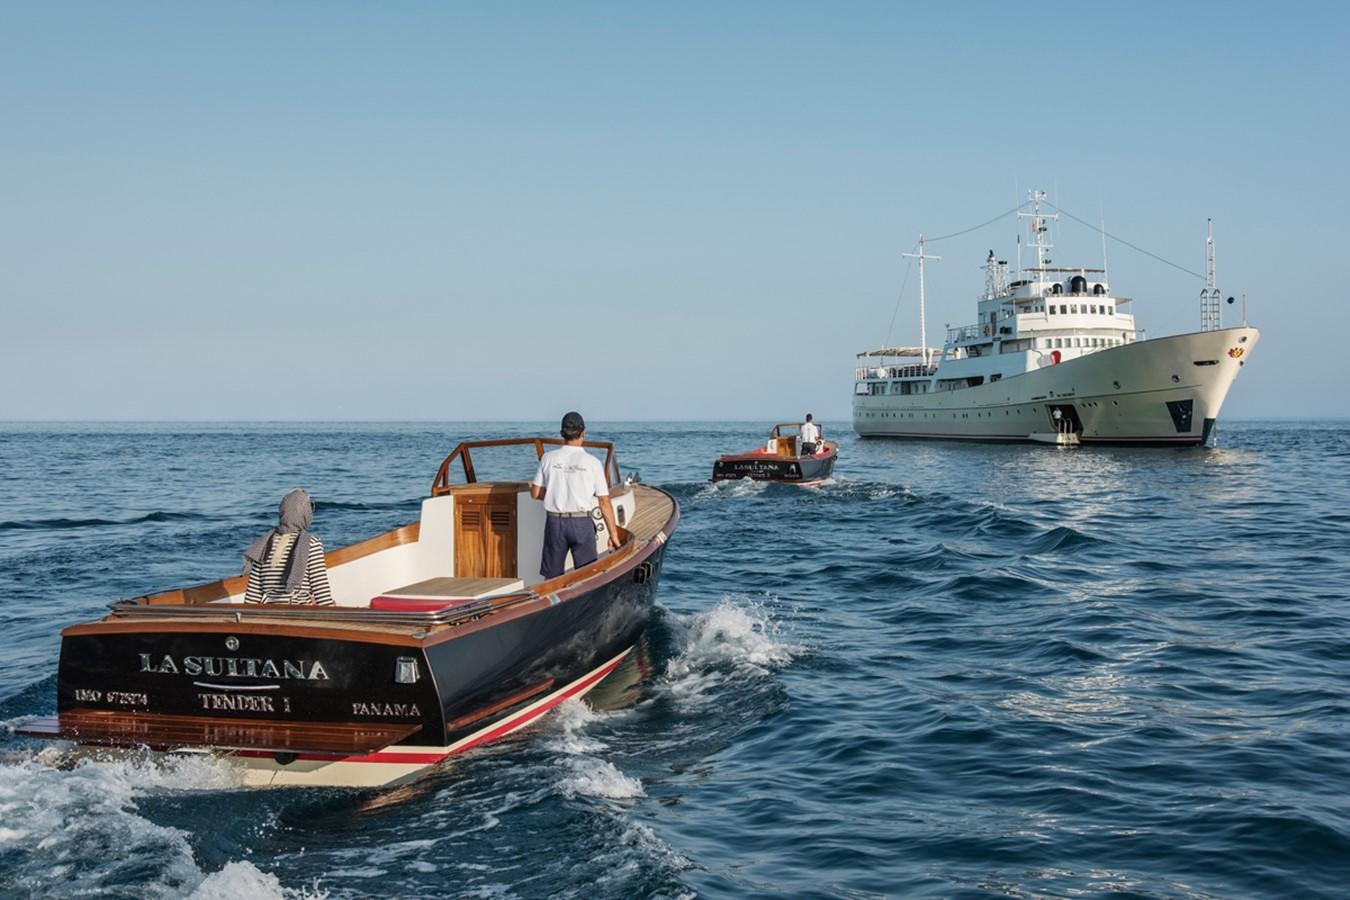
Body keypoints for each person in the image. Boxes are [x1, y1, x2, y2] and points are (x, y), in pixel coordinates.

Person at [530, 411, 621, 579]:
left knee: (551, 579)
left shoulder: (547, 458)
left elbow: (535, 493)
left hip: (555, 523)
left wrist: (555, 494)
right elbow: (604, 501)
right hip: (581, 524)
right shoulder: (593, 462)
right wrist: (613, 534)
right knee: (587, 577)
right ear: (583, 433)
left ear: (562, 433)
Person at [242, 488, 334, 605]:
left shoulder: (263, 544)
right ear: (305, 514)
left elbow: (252, 597)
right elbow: (321, 591)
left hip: (270, 610)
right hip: (300, 610)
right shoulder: (311, 544)